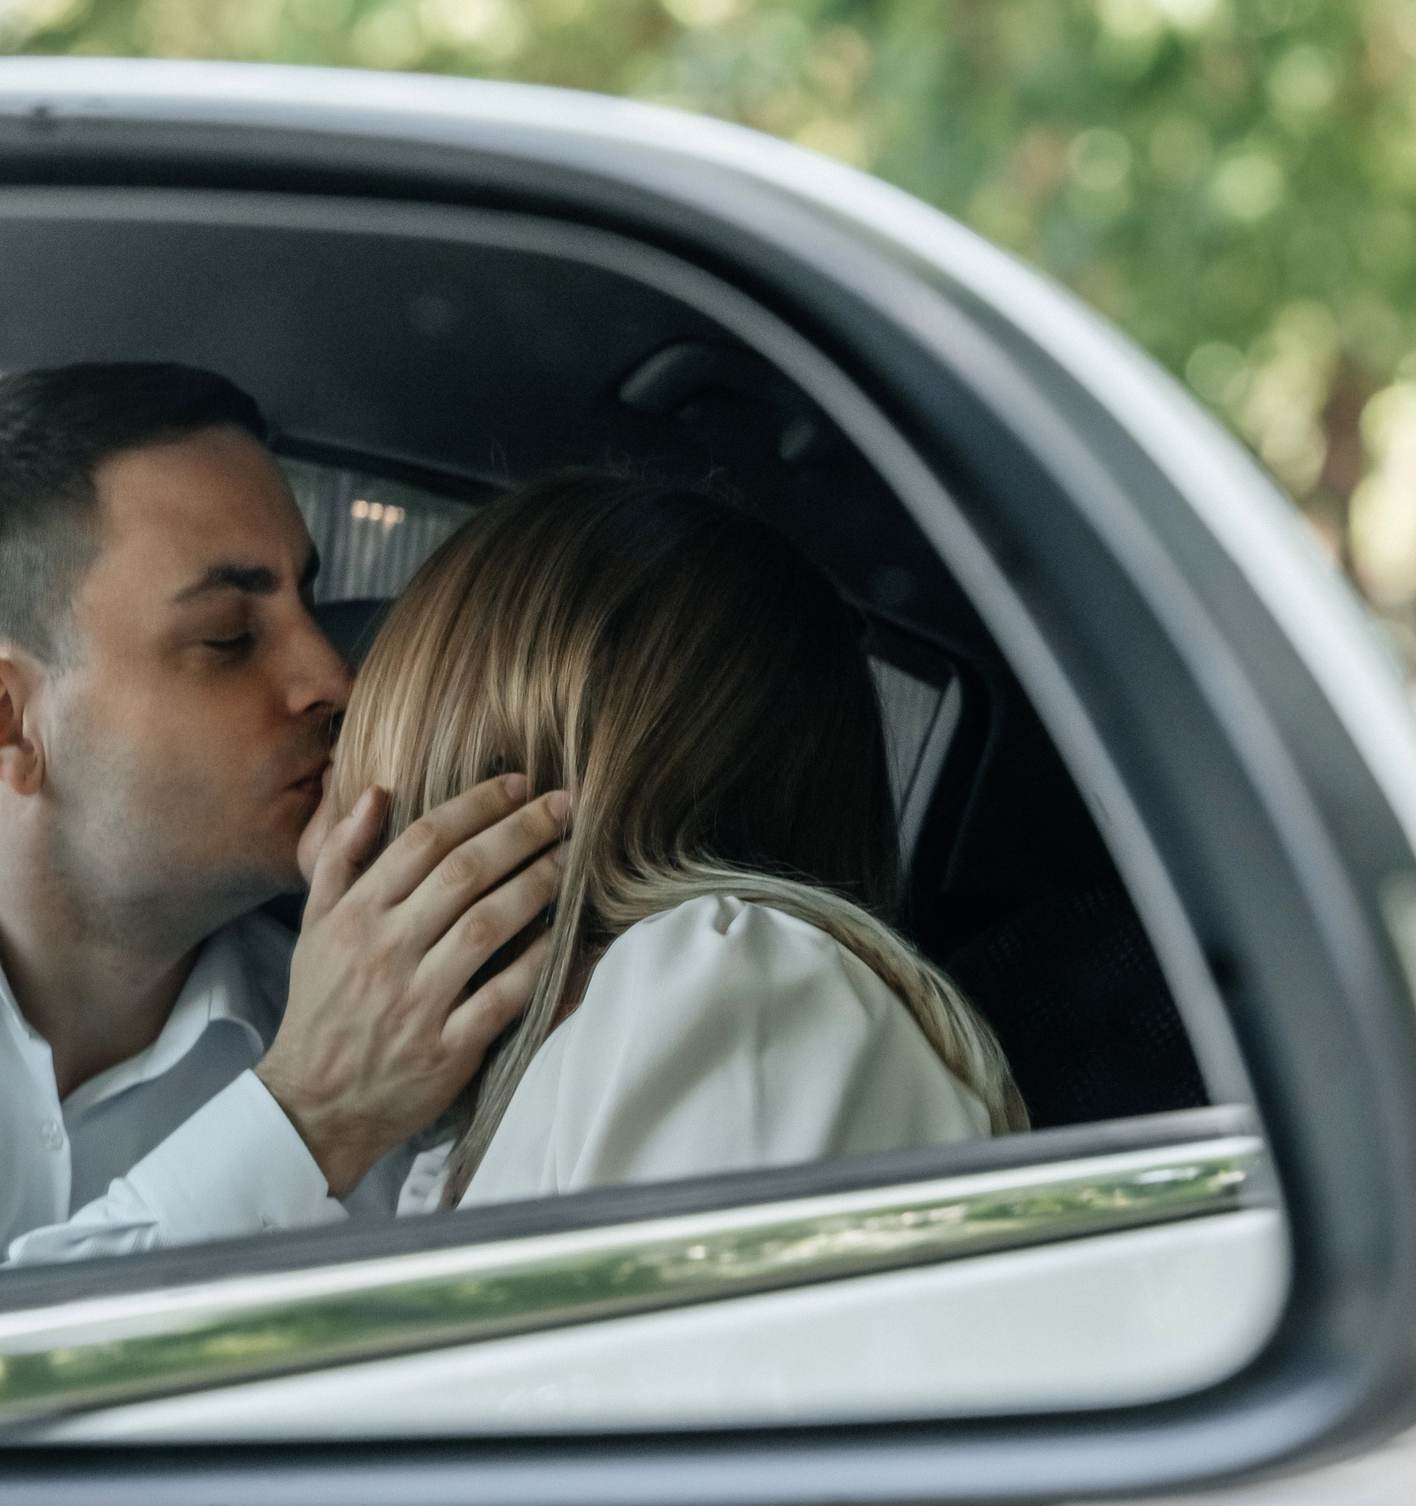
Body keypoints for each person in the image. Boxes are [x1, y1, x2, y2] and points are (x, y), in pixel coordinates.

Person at [0, 364, 568, 1280]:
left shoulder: (395, 1037)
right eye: (228, 636)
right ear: (5, 723)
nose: (333, 680)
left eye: (308, 602)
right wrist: (304, 1121)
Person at [321, 471, 1027, 1211]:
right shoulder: (472, 1122)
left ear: (487, 735)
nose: (344, 717)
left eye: (395, 683)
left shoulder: (728, 990)